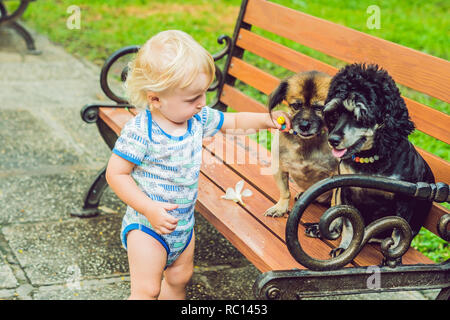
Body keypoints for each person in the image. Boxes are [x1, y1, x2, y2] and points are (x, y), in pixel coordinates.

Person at [105, 30, 291, 300]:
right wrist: (149, 208)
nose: (202, 103)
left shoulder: (197, 118)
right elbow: (116, 174)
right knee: (147, 290)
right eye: (193, 98)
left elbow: (234, 122)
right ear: (155, 98)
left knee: (180, 280)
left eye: (204, 93)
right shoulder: (141, 131)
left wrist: (267, 120)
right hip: (148, 226)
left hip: (183, 226)